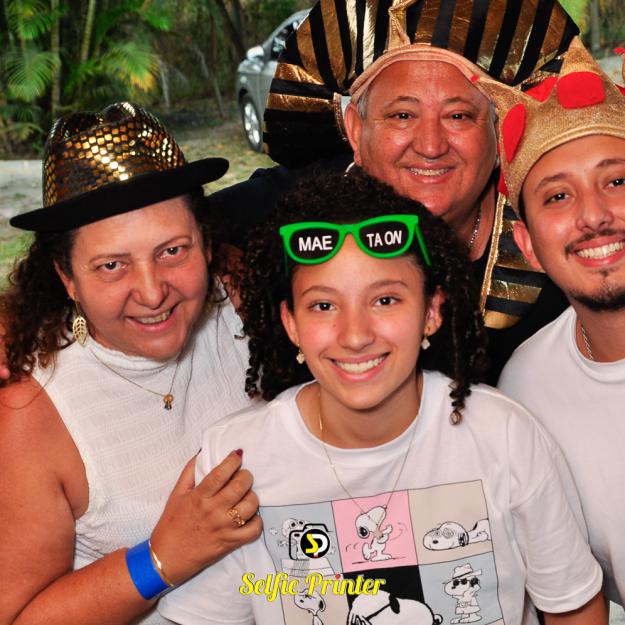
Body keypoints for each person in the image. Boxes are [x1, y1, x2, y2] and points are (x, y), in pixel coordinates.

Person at [158, 169, 606, 625]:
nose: (355, 335)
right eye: (323, 305)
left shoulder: (504, 436)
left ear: (431, 311)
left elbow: (573, 607)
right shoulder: (238, 461)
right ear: (291, 323)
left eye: (385, 300)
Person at [212, 0, 578, 380]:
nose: (431, 145)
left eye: (458, 116)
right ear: (356, 130)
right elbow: (185, 226)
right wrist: (229, 267)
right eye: (402, 115)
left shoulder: (549, 234)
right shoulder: (302, 205)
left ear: (498, 129)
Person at [0, 102, 261, 625]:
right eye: (112, 265)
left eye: (172, 251)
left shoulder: (242, 298)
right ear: (68, 279)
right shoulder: (32, 413)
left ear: (207, 244)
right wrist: (162, 558)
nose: (152, 291)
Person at [484, 38, 625, 607]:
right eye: (558, 196)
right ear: (528, 245)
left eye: (617, 181)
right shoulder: (526, 390)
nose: (594, 215)